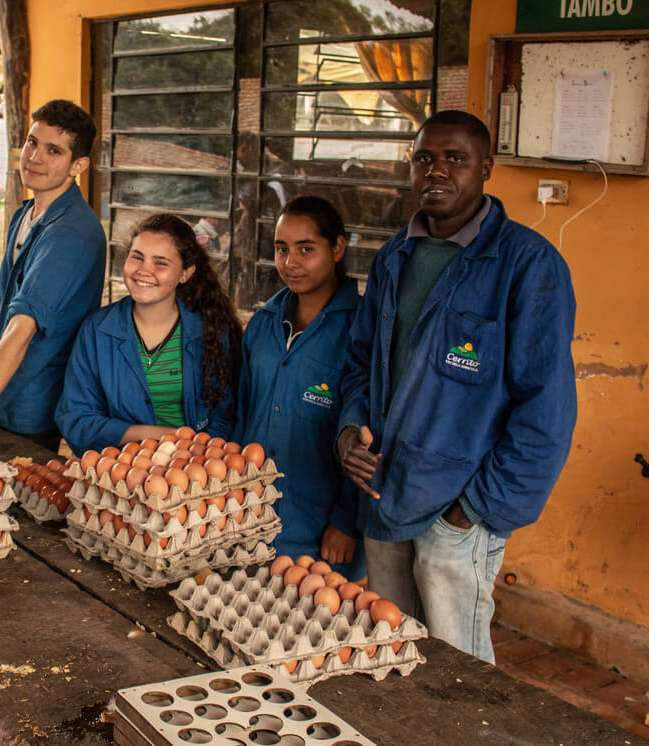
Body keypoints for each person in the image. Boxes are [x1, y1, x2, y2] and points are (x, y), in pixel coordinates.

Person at [336, 111, 576, 662]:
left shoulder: (527, 264)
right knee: (394, 654)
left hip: (458, 512)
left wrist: (476, 510)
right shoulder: (397, 253)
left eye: (455, 159)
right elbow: (360, 362)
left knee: (457, 672)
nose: (436, 172)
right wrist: (349, 432)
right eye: (424, 158)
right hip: (383, 494)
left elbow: (547, 410)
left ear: (486, 167)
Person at [0, 99, 106, 450]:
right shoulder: (26, 214)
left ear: (77, 165)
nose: (35, 157)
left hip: (29, 407)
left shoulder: (72, 232)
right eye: (32, 142)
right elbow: (4, 315)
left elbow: (22, 328)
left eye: (54, 150)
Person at [234, 196, 364, 580]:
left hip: (320, 528)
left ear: (337, 248)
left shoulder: (360, 330)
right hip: (252, 516)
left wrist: (347, 521)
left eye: (306, 249)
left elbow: (372, 434)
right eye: (281, 249)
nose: (291, 262)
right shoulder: (264, 323)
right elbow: (243, 411)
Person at [56, 213, 240, 455]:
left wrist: (198, 458)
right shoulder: (96, 332)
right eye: (137, 258)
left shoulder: (211, 330)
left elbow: (225, 415)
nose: (144, 270)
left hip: (194, 467)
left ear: (185, 273)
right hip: (120, 468)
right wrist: (156, 435)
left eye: (161, 262)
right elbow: (77, 420)